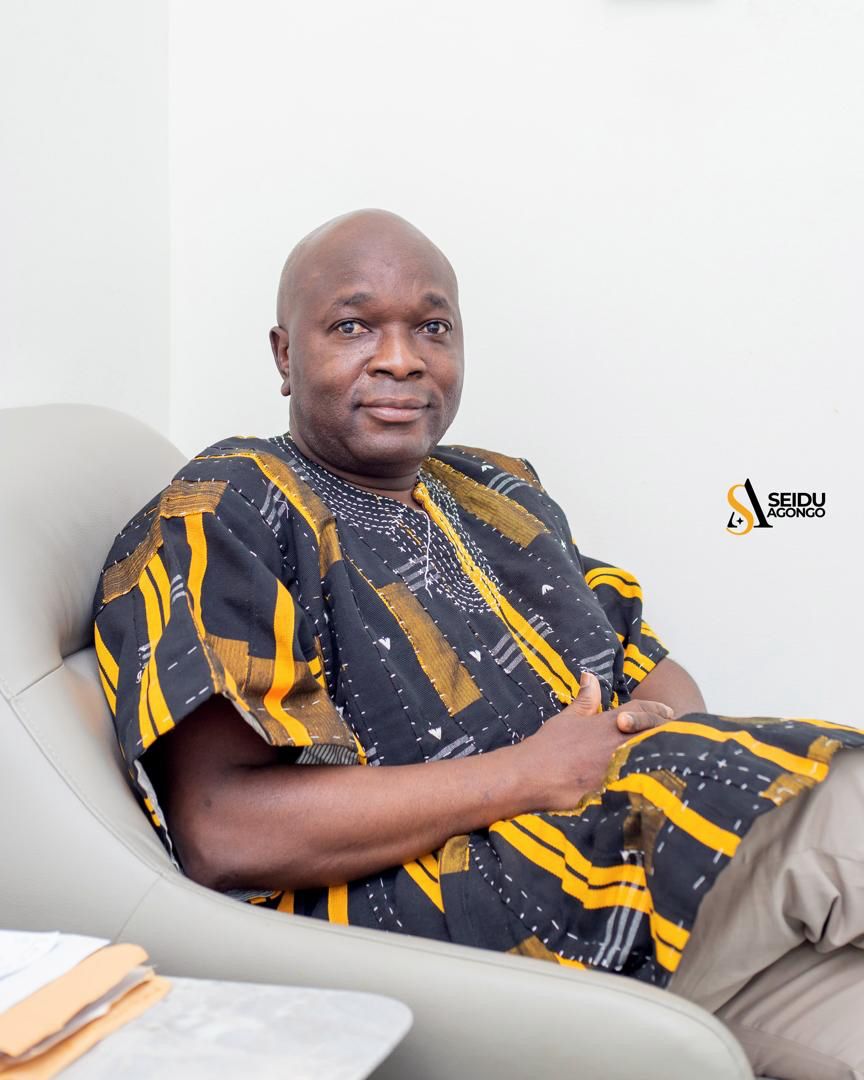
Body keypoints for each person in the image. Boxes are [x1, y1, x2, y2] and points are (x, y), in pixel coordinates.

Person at [93, 209, 864, 1079]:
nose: (401, 358)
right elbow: (221, 830)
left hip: (625, 885)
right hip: (428, 921)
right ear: (284, 354)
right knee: (838, 799)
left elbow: (650, 666)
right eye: (352, 327)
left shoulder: (497, 489)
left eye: (432, 327)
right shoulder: (228, 505)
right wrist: (533, 773)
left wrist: (644, 735)